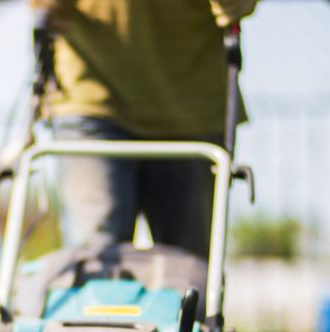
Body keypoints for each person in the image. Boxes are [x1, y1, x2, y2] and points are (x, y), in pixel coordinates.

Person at [30, 0, 258, 258]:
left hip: (192, 102)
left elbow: (238, 7)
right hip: (89, 90)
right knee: (94, 259)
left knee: (187, 269)